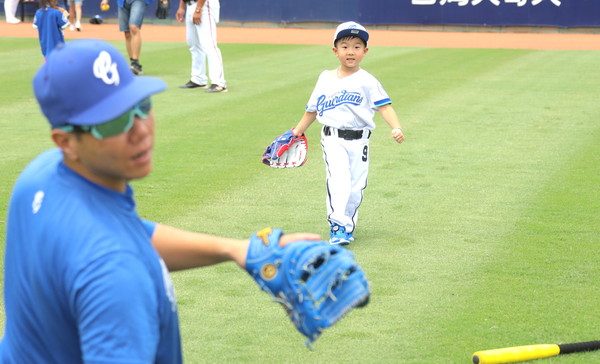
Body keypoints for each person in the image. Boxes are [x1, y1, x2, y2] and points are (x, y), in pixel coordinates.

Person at [0, 39, 317, 363]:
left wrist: (235, 249)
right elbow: (113, 249)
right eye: (112, 121)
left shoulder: (41, 176)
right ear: (66, 141)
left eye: (141, 106)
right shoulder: (116, 276)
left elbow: (127, 232)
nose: (140, 130)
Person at [291, 21, 405, 245]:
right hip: (333, 139)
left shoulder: (368, 81)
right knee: (339, 179)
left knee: (356, 187)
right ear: (335, 51)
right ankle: (337, 224)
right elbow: (312, 110)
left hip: (360, 141)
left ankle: (347, 226)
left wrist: (396, 126)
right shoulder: (325, 78)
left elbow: (384, 106)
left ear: (365, 51)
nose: (350, 51)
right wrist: (296, 132)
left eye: (356, 46)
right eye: (344, 46)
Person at [176, 0, 227, 92]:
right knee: (193, 44)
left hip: (205, 6)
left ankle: (219, 83)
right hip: (190, 4)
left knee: (209, 45)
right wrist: (181, 7)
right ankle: (198, 79)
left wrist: (198, 9)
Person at [100, 0, 152, 75]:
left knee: (134, 27)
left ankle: (135, 63)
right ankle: (132, 64)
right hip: (122, 2)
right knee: (127, 32)